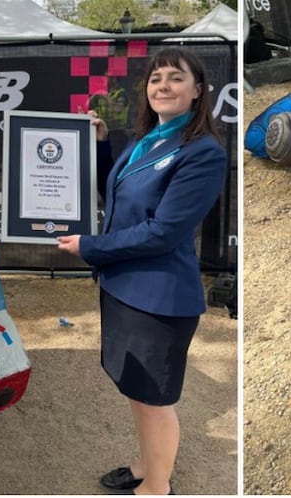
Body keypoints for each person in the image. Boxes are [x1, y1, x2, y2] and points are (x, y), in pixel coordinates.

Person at [56, 47, 227, 496]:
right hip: (124, 288)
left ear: (197, 91)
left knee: (155, 402)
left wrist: (89, 246)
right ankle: (146, 465)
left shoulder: (202, 152)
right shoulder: (147, 139)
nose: (163, 86)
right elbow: (118, 193)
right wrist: (99, 145)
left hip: (158, 299)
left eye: (175, 78)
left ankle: (157, 487)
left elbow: (161, 233)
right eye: (156, 79)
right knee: (138, 393)